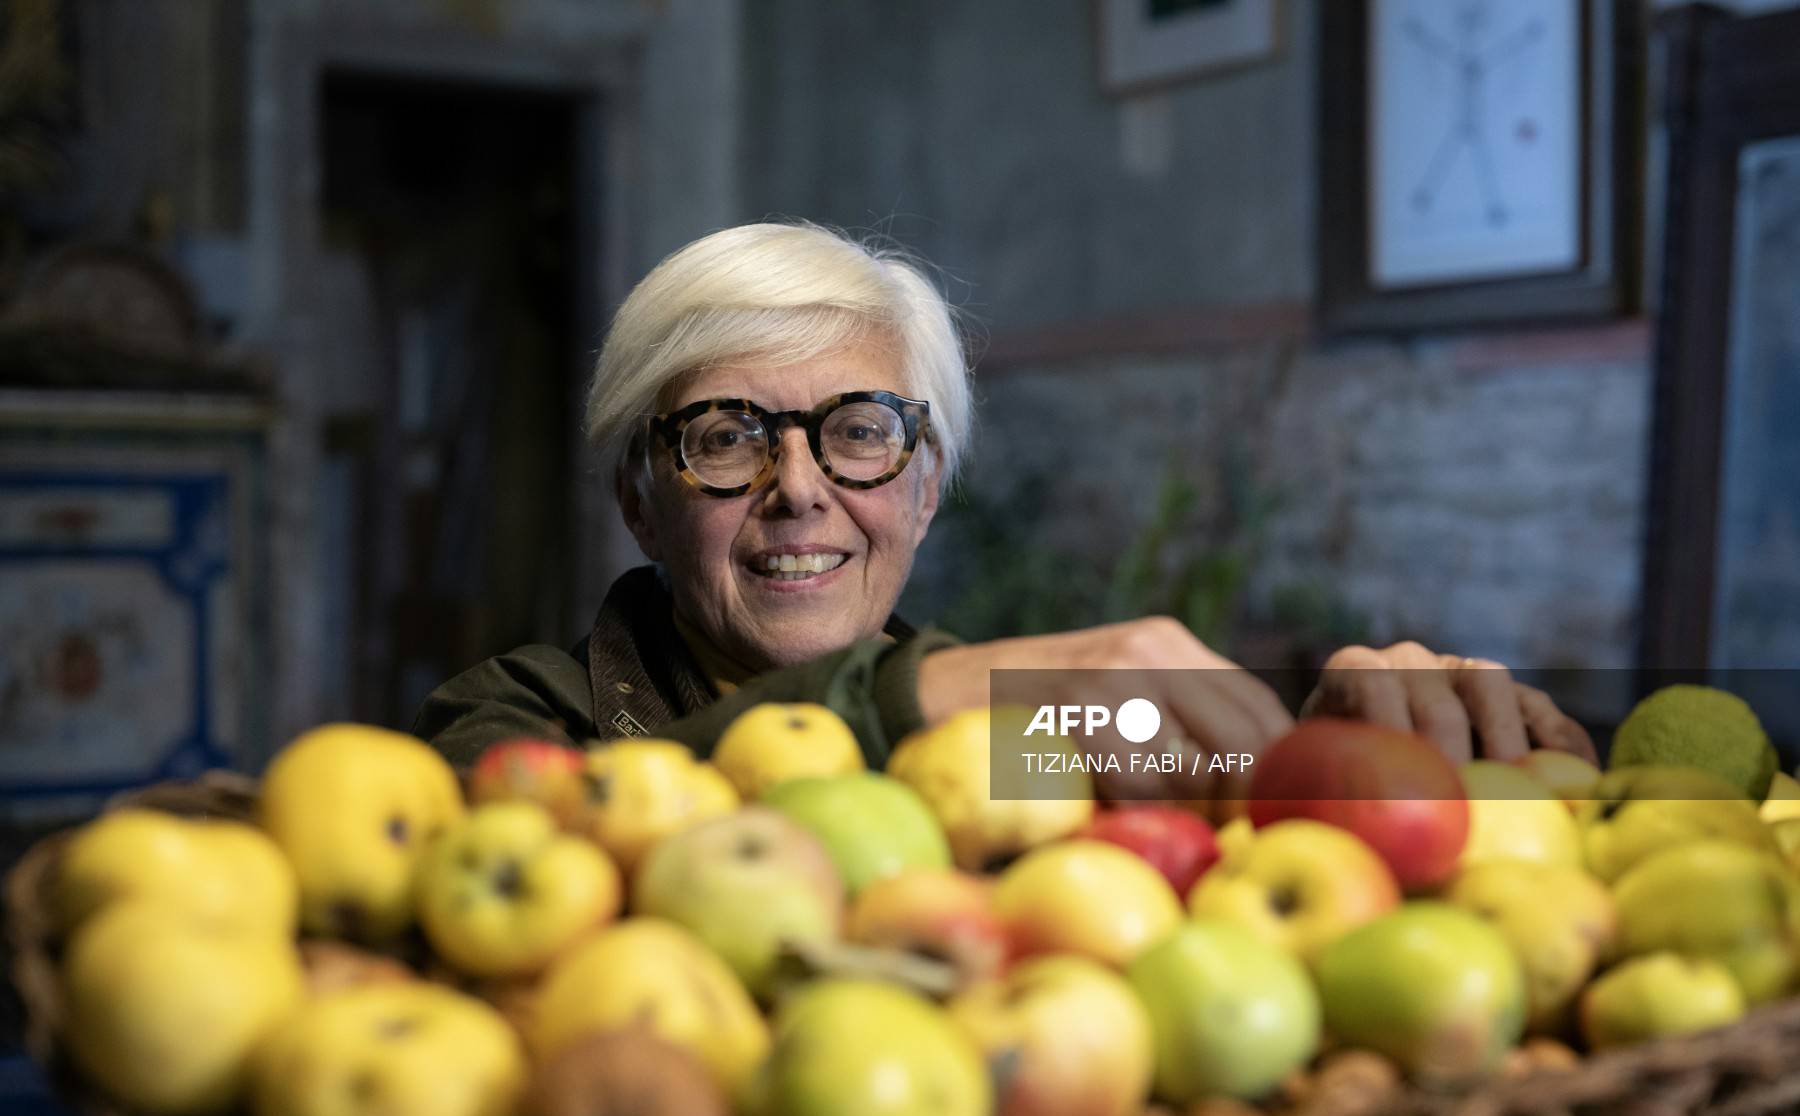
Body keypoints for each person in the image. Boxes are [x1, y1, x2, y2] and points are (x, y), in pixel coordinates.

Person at [413, 221, 1595, 803]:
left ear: (924, 490)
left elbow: (1230, 787)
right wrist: (912, 698)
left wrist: (1351, 743)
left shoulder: (1025, 730)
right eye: (726, 438)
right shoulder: (511, 723)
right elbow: (540, 846)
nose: (802, 490)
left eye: (862, 432)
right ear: (641, 500)